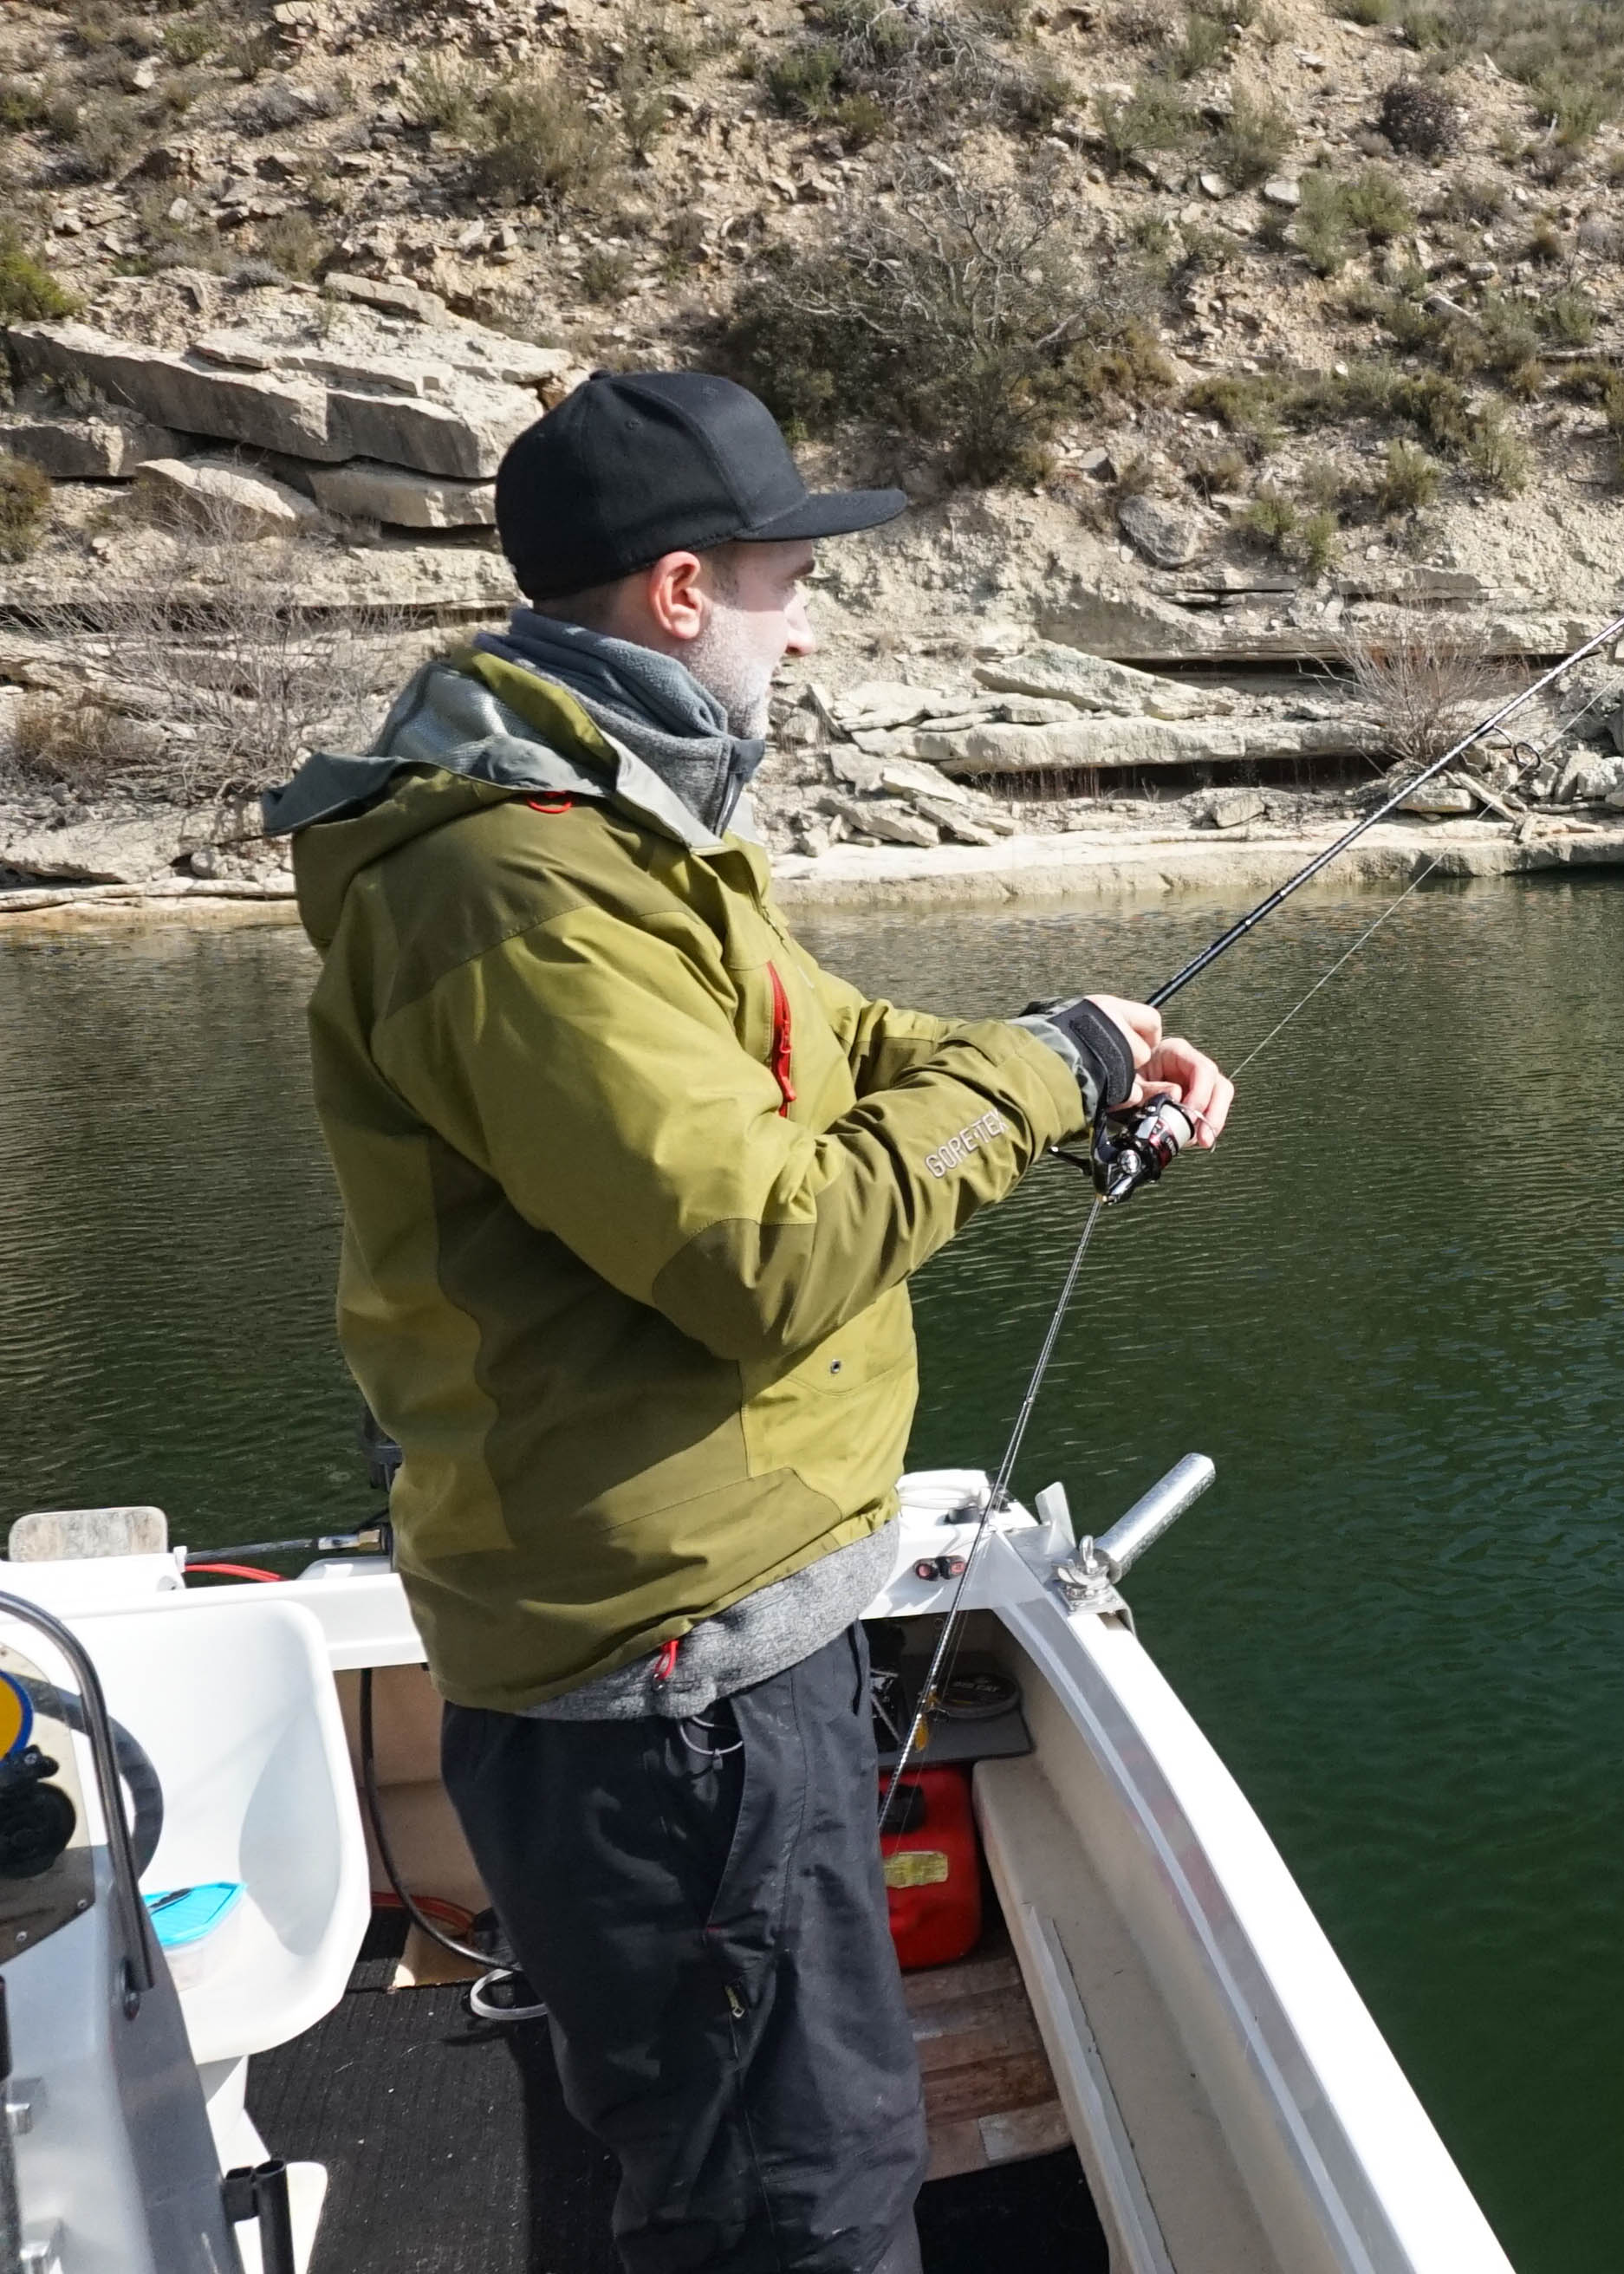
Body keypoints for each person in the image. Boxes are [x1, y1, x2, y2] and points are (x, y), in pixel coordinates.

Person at [262, 370, 1231, 2274]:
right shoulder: (513, 885)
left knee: (795, 2133)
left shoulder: (619, 832)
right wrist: (1041, 1076)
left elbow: (841, 1042)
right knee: (795, 2197)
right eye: (793, 574)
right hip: (665, 1690)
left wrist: (1084, 1054)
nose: (813, 613)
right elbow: (765, 1251)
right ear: (684, 591)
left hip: (724, 1644)